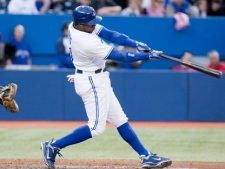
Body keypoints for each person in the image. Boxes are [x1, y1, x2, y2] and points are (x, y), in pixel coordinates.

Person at [41, 5, 172, 169]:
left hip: (97, 77)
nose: (94, 25)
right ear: (80, 24)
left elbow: (110, 34)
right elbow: (121, 56)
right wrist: (147, 55)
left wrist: (134, 43)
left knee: (120, 120)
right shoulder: (85, 41)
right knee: (96, 128)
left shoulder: (76, 26)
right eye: (90, 23)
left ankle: (146, 156)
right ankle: (53, 146)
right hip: (92, 81)